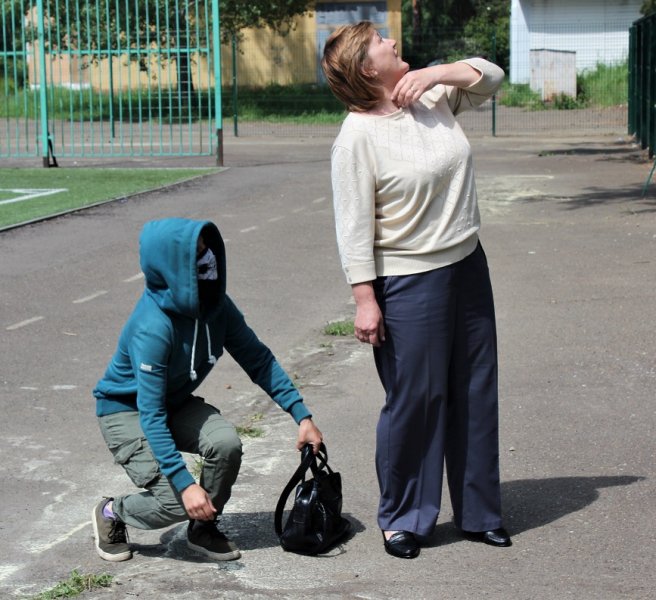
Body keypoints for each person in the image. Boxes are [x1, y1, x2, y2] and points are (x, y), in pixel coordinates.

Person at [321, 22, 510, 559]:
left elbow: (491, 76)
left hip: (467, 264)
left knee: (475, 390)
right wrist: (364, 299)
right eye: (382, 41)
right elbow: (353, 226)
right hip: (408, 279)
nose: (392, 41)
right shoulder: (356, 137)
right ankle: (404, 518)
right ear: (366, 67)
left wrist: (434, 73)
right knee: (416, 400)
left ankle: (479, 513)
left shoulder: (432, 97)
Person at [91, 217, 323, 562]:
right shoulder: (152, 327)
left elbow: (258, 360)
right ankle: (113, 512)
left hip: (173, 403)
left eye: (207, 253)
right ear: (171, 268)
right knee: (174, 501)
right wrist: (185, 485)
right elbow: (151, 415)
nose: (207, 263)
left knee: (225, 443)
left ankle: (203, 526)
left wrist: (301, 415)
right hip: (126, 410)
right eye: (195, 259)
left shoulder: (217, 308)